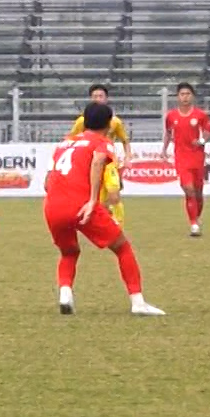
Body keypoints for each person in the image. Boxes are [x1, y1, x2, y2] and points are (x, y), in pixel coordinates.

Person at [45, 102, 163, 317]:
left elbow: (47, 181)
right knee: (122, 247)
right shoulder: (102, 142)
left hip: (52, 205)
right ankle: (138, 302)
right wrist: (92, 200)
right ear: (109, 124)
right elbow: (98, 161)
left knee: (69, 252)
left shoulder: (65, 143)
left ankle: (65, 294)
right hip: (80, 204)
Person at [69, 83, 131, 228]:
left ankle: (118, 226)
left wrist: (128, 156)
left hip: (109, 164)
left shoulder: (115, 122)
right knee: (99, 200)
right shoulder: (82, 121)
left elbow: (125, 140)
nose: (97, 99)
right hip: (90, 164)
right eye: (95, 96)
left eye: (100, 96)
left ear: (106, 98)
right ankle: (105, 219)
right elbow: (72, 139)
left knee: (114, 194)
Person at [161, 81, 210, 237]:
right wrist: (164, 149)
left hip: (197, 157)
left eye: (188, 94)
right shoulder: (171, 116)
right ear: (178, 97)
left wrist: (202, 140)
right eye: (182, 94)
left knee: (198, 192)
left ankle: (196, 217)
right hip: (181, 158)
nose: (185, 97)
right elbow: (168, 133)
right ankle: (193, 224)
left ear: (193, 96)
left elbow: (209, 130)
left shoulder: (200, 115)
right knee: (188, 189)